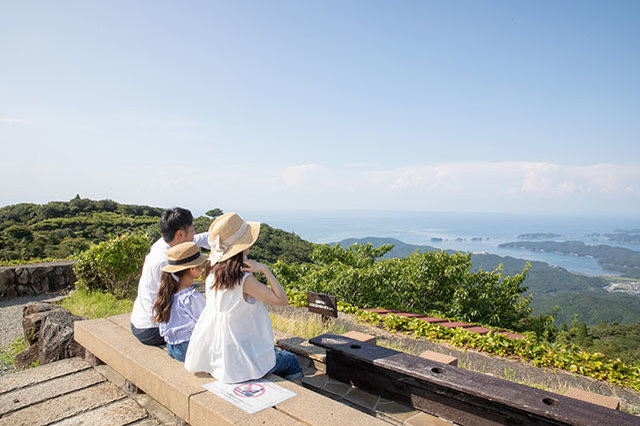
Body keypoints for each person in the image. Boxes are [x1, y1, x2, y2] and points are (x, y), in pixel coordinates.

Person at [185, 213, 303, 383]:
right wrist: (264, 269)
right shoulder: (244, 281)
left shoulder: (212, 274)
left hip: (217, 354)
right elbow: (282, 300)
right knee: (291, 361)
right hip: (240, 358)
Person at [130, 207, 210, 346]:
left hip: (140, 319)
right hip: (151, 329)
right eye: (192, 230)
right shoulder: (165, 262)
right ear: (180, 234)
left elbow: (199, 239)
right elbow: (182, 302)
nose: (194, 234)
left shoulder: (164, 243)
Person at [153, 241, 207, 362]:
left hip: (172, 347)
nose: (202, 268)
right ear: (192, 269)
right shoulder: (192, 297)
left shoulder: (169, 293)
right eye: (200, 265)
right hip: (187, 350)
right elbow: (207, 322)